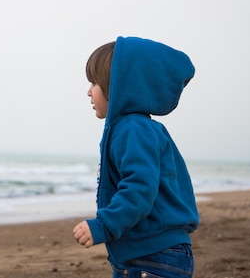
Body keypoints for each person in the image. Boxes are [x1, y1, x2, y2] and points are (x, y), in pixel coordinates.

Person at [73, 36, 199, 278]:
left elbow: (139, 188)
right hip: (149, 253)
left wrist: (104, 225)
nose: (88, 92)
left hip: (152, 255)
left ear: (118, 86)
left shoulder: (133, 130)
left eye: (94, 83)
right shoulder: (131, 128)